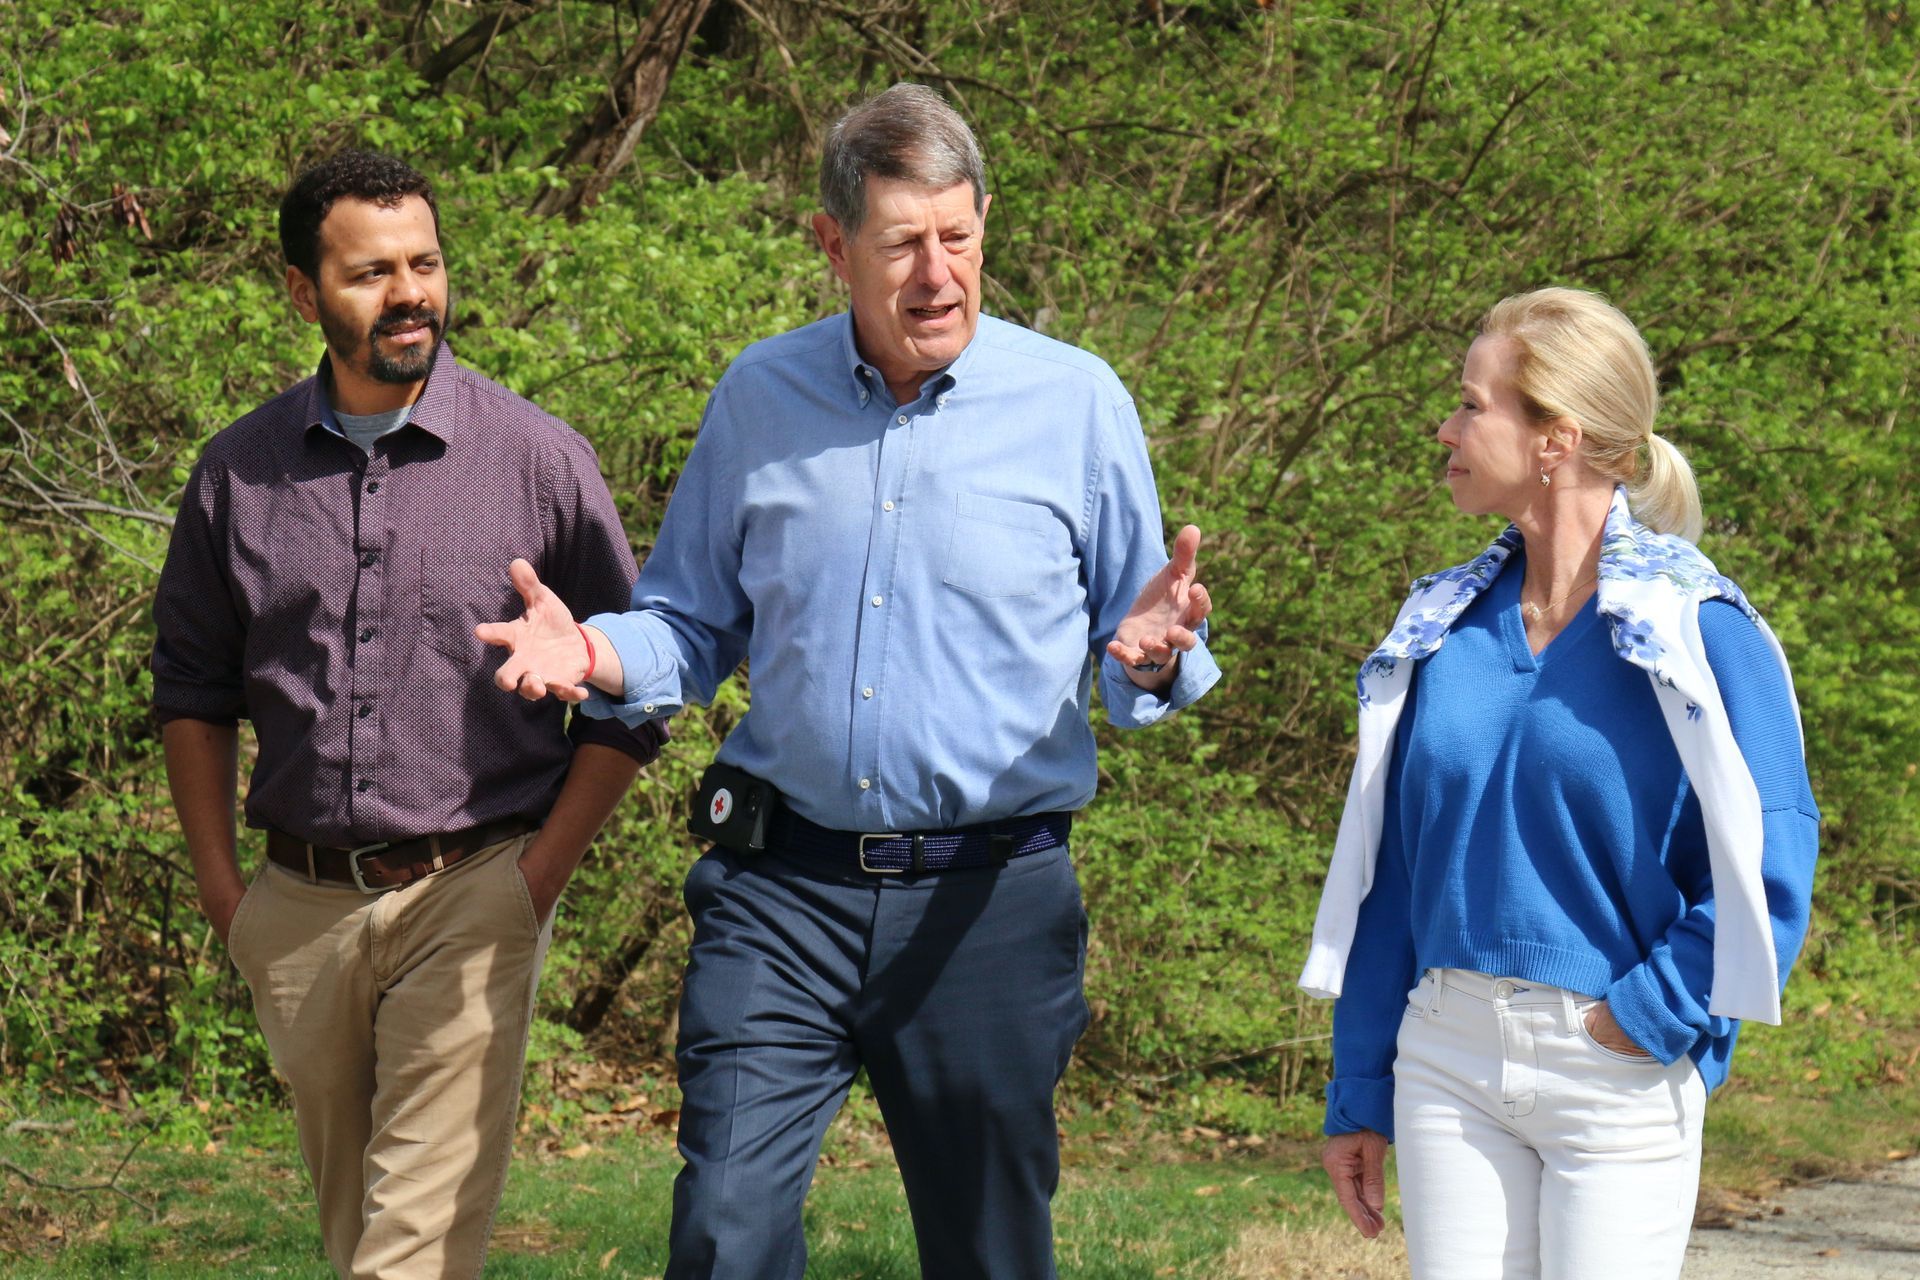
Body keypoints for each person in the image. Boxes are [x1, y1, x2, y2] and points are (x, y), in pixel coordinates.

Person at [476, 83, 1219, 1279]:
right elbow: (688, 621)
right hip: (784, 888)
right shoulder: (761, 396)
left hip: (990, 903)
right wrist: (600, 653)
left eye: (960, 237)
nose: (938, 274)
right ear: (833, 245)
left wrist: (1146, 654)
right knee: (724, 1229)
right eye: (902, 244)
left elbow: (1143, 635)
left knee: (989, 1253)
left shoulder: (1077, 403)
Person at [151, 150, 666, 1279]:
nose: (410, 293)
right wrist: (227, 896)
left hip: (472, 890)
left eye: (425, 263)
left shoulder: (539, 461)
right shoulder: (236, 475)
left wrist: (538, 879)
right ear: (303, 292)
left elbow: (643, 686)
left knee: (407, 1254)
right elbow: (191, 691)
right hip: (295, 913)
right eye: (372, 271)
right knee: (361, 1237)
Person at [1297, 287, 1820, 1278]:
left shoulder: (1696, 629)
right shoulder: (1437, 627)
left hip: (1613, 1064)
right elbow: (1395, 875)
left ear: (1556, 439)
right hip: (1445, 1056)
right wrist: (1360, 1082)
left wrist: (1649, 1017)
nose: (1445, 427)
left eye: (1471, 404)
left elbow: (1771, 853)